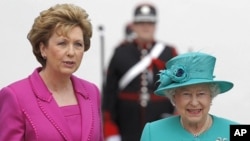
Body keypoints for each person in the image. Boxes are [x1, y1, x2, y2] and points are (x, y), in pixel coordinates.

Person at [0, 3, 103, 141]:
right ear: (43, 49)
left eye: (78, 44)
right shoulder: (15, 96)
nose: (71, 52)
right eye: (62, 43)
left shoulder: (92, 92)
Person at [102, 3, 178, 141]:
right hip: (127, 127)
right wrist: (110, 131)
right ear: (134, 25)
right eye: (141, 22)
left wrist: (176, 120)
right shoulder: (120, 52)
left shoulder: (168, 52)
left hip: (160, 125)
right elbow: (109, 94)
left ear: (155, 26)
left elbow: (178, 92)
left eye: (149, 23)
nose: (145, 27)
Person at [140, 52, 239, 141]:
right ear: (174, 98)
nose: (194, 102)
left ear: (211, 96)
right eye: (186, 94)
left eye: (201, 94)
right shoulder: (153, 132)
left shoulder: (237, 131)